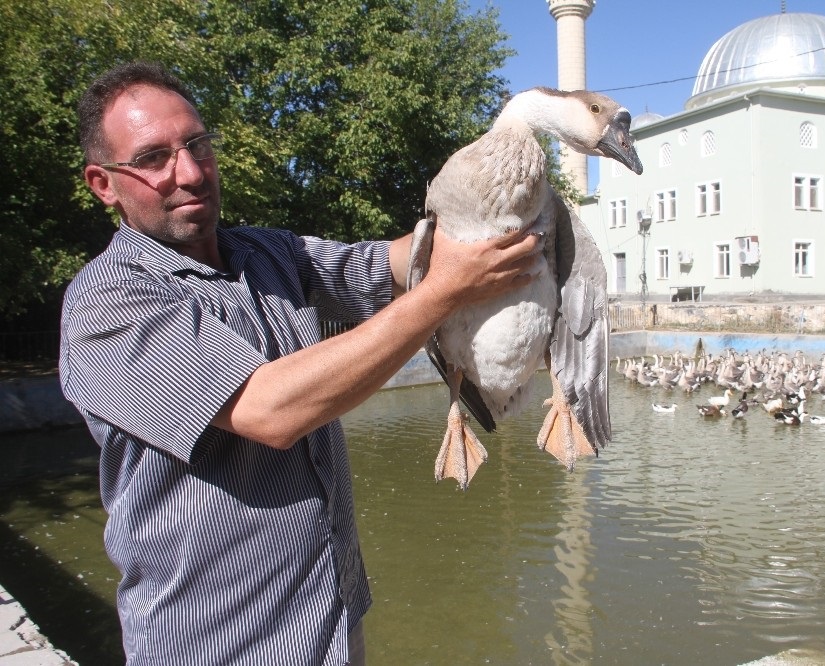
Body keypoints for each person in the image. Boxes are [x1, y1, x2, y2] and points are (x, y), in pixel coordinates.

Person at [59, 61, 541, 665]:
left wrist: (495, 214)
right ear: (103, 184)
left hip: (331, 626)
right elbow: (271, 410)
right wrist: (446, 290)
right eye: (154, 158)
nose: (190, 172)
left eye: (197, 145)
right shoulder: (106, 302)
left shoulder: (267, 252)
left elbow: (386, 264)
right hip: (214, 646)